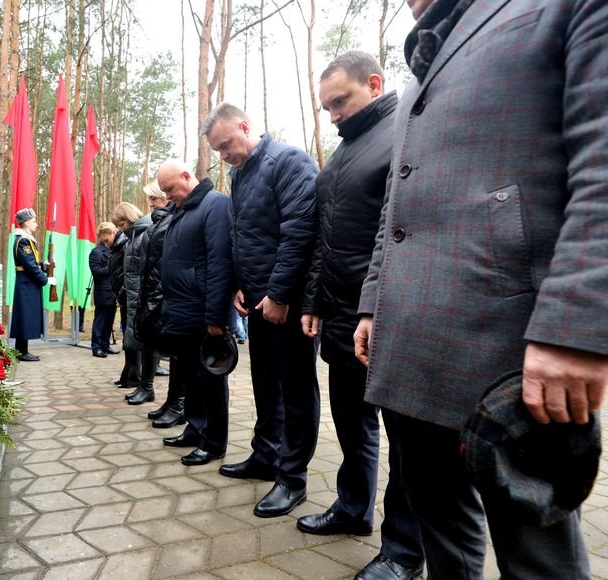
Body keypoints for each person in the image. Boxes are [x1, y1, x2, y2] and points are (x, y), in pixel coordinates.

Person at [353, 1, 608, 577]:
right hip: (409, 343)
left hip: (511, 347)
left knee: (536, 558)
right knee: (440, 528)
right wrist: (373, 304)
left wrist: (575, 325)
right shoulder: (419, 65)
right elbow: (395, 203)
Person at [297, 51, 423, 580]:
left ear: (374, 84)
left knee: (405, 440)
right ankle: (353, 509)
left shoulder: (403, 134)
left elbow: (398, 231)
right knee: (351, 424)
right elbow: (323, 238)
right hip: (339, 317)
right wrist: (312, 300)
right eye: (325, 108)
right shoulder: (341, 154)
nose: (332, 116)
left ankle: (404, 551)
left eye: (340, 102)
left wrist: (374, 305)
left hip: (387, 317)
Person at [203, 103, 320, 518]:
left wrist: (280, 294)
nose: (224, 156)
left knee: (296, 389)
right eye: (218, 150)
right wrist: (239, 285)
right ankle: (265, 456)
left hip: (283, 306)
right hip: (256, 303)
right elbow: (241, 235)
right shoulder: (239, 176)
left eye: (227, 145)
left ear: (246, 127)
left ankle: (292, 479)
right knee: (265, 385)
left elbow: (299, 231)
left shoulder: (287, 162)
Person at [156, 159, 233, 466]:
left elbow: (219, 264)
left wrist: (216, 317)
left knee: (210, 380)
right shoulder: (182, 210)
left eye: (170, 188)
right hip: (181, 311)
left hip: (203, 313)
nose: (168, 195)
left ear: (187, 176)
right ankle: (195, 427)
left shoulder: (215, 206)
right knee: (190, 377)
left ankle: (214, 442)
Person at [136, 180, 182, 428]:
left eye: (156, 198)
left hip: (165, 297)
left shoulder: (169, 222)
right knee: (169, 351)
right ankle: (172, 401)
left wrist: (156, 297)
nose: (152, 204)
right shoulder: (159, 222)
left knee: (177, 353)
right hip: (155, 295)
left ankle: (178, 402)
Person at [112, 202, 155, 405]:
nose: (120, 230)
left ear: (128, 219)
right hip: (133, 296)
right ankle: (141, 383)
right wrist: (122, 292)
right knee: (139, 341)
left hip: (143, 299)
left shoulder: (144, 234)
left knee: (147, 343)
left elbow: (145, 271)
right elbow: (131, 271)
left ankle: (146, 385)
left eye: (121, 225)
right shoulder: (133, 237)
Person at [10, 208, 47, 362]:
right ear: (25, 222)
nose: (36, 224)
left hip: (28, 282)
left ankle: (22, 350)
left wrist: (43, 265)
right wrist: (44, 279)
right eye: (33, 221)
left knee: (25, 316)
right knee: (24, 317)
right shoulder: (23, 241)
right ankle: (21, 351)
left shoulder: (26, 239)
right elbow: (29, 266)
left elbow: (32, 262)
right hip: (26, 283)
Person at [109, 226, 137, 389]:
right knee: (128, 338)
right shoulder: (120, 245)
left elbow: (128, 273)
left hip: (128, 295)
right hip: (124, 296)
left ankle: (134, 377)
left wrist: (121, 294)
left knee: (132, 338)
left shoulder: (126, 244)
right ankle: (128, 375)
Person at [89, 222, 118, 358]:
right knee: (100, 321)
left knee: (109, 321)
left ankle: (105, 345)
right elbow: (96, 272)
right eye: (113, 232)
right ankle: (96, 347)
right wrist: (113, 267)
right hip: (103, 292)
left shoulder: (114, 249)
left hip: (113, 292)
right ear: (106, 235)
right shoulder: (96, 252)